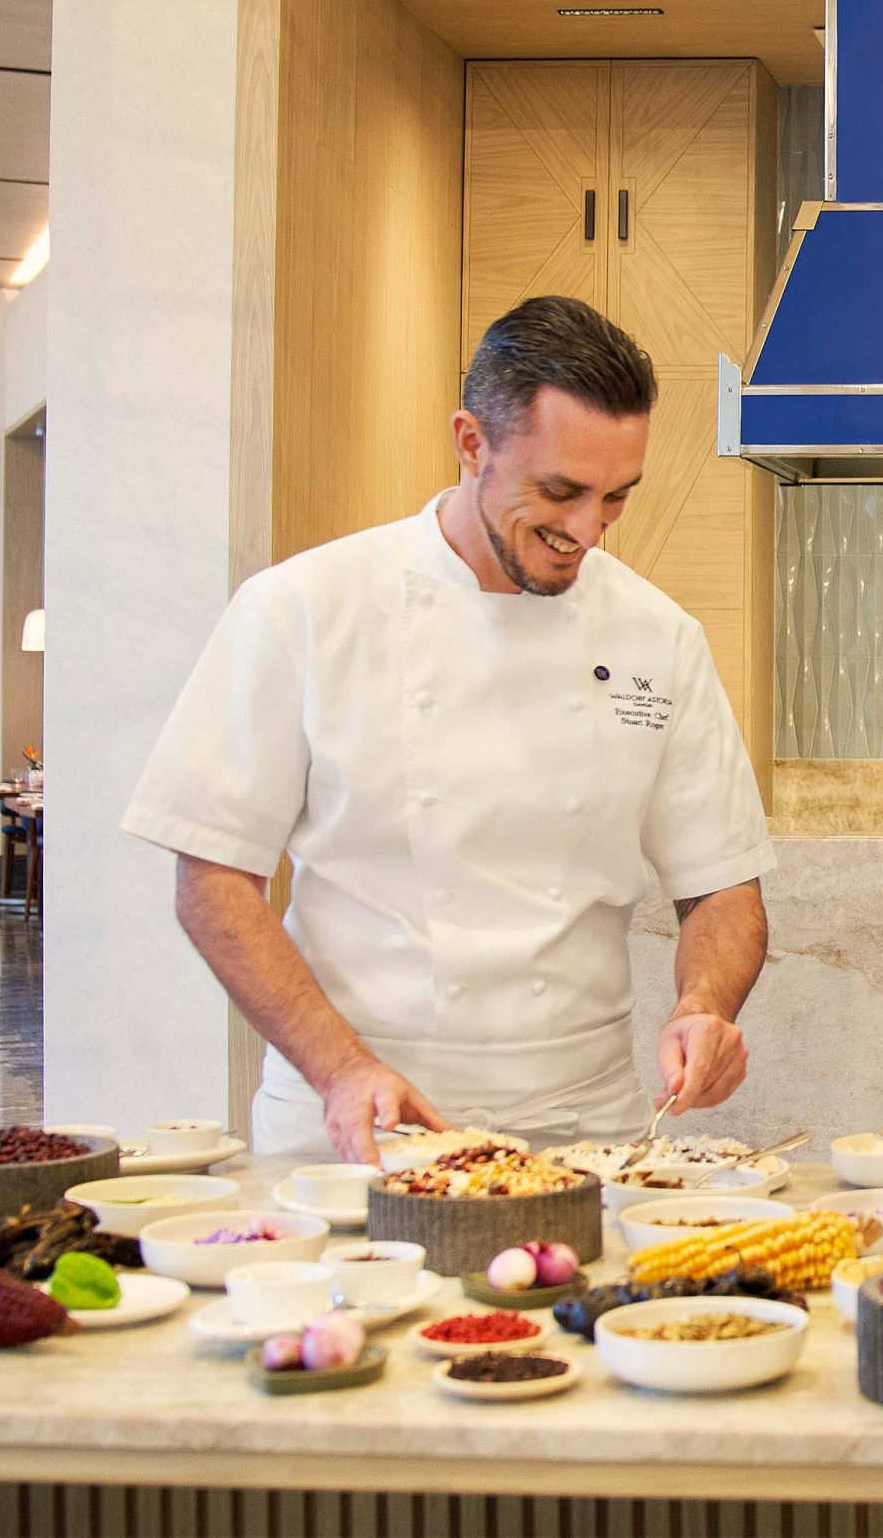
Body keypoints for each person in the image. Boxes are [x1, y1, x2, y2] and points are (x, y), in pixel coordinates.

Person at [124, 297, 778, 1162]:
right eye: (560, 490)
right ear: (472, 442)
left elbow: (723, 888)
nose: (587, 530)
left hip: (582, 1132)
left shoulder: (659, 638)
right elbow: (211, 879)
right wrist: (341, 1068)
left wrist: (705, 1005)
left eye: (616, 497)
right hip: (357, 1128)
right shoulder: (304, 609)